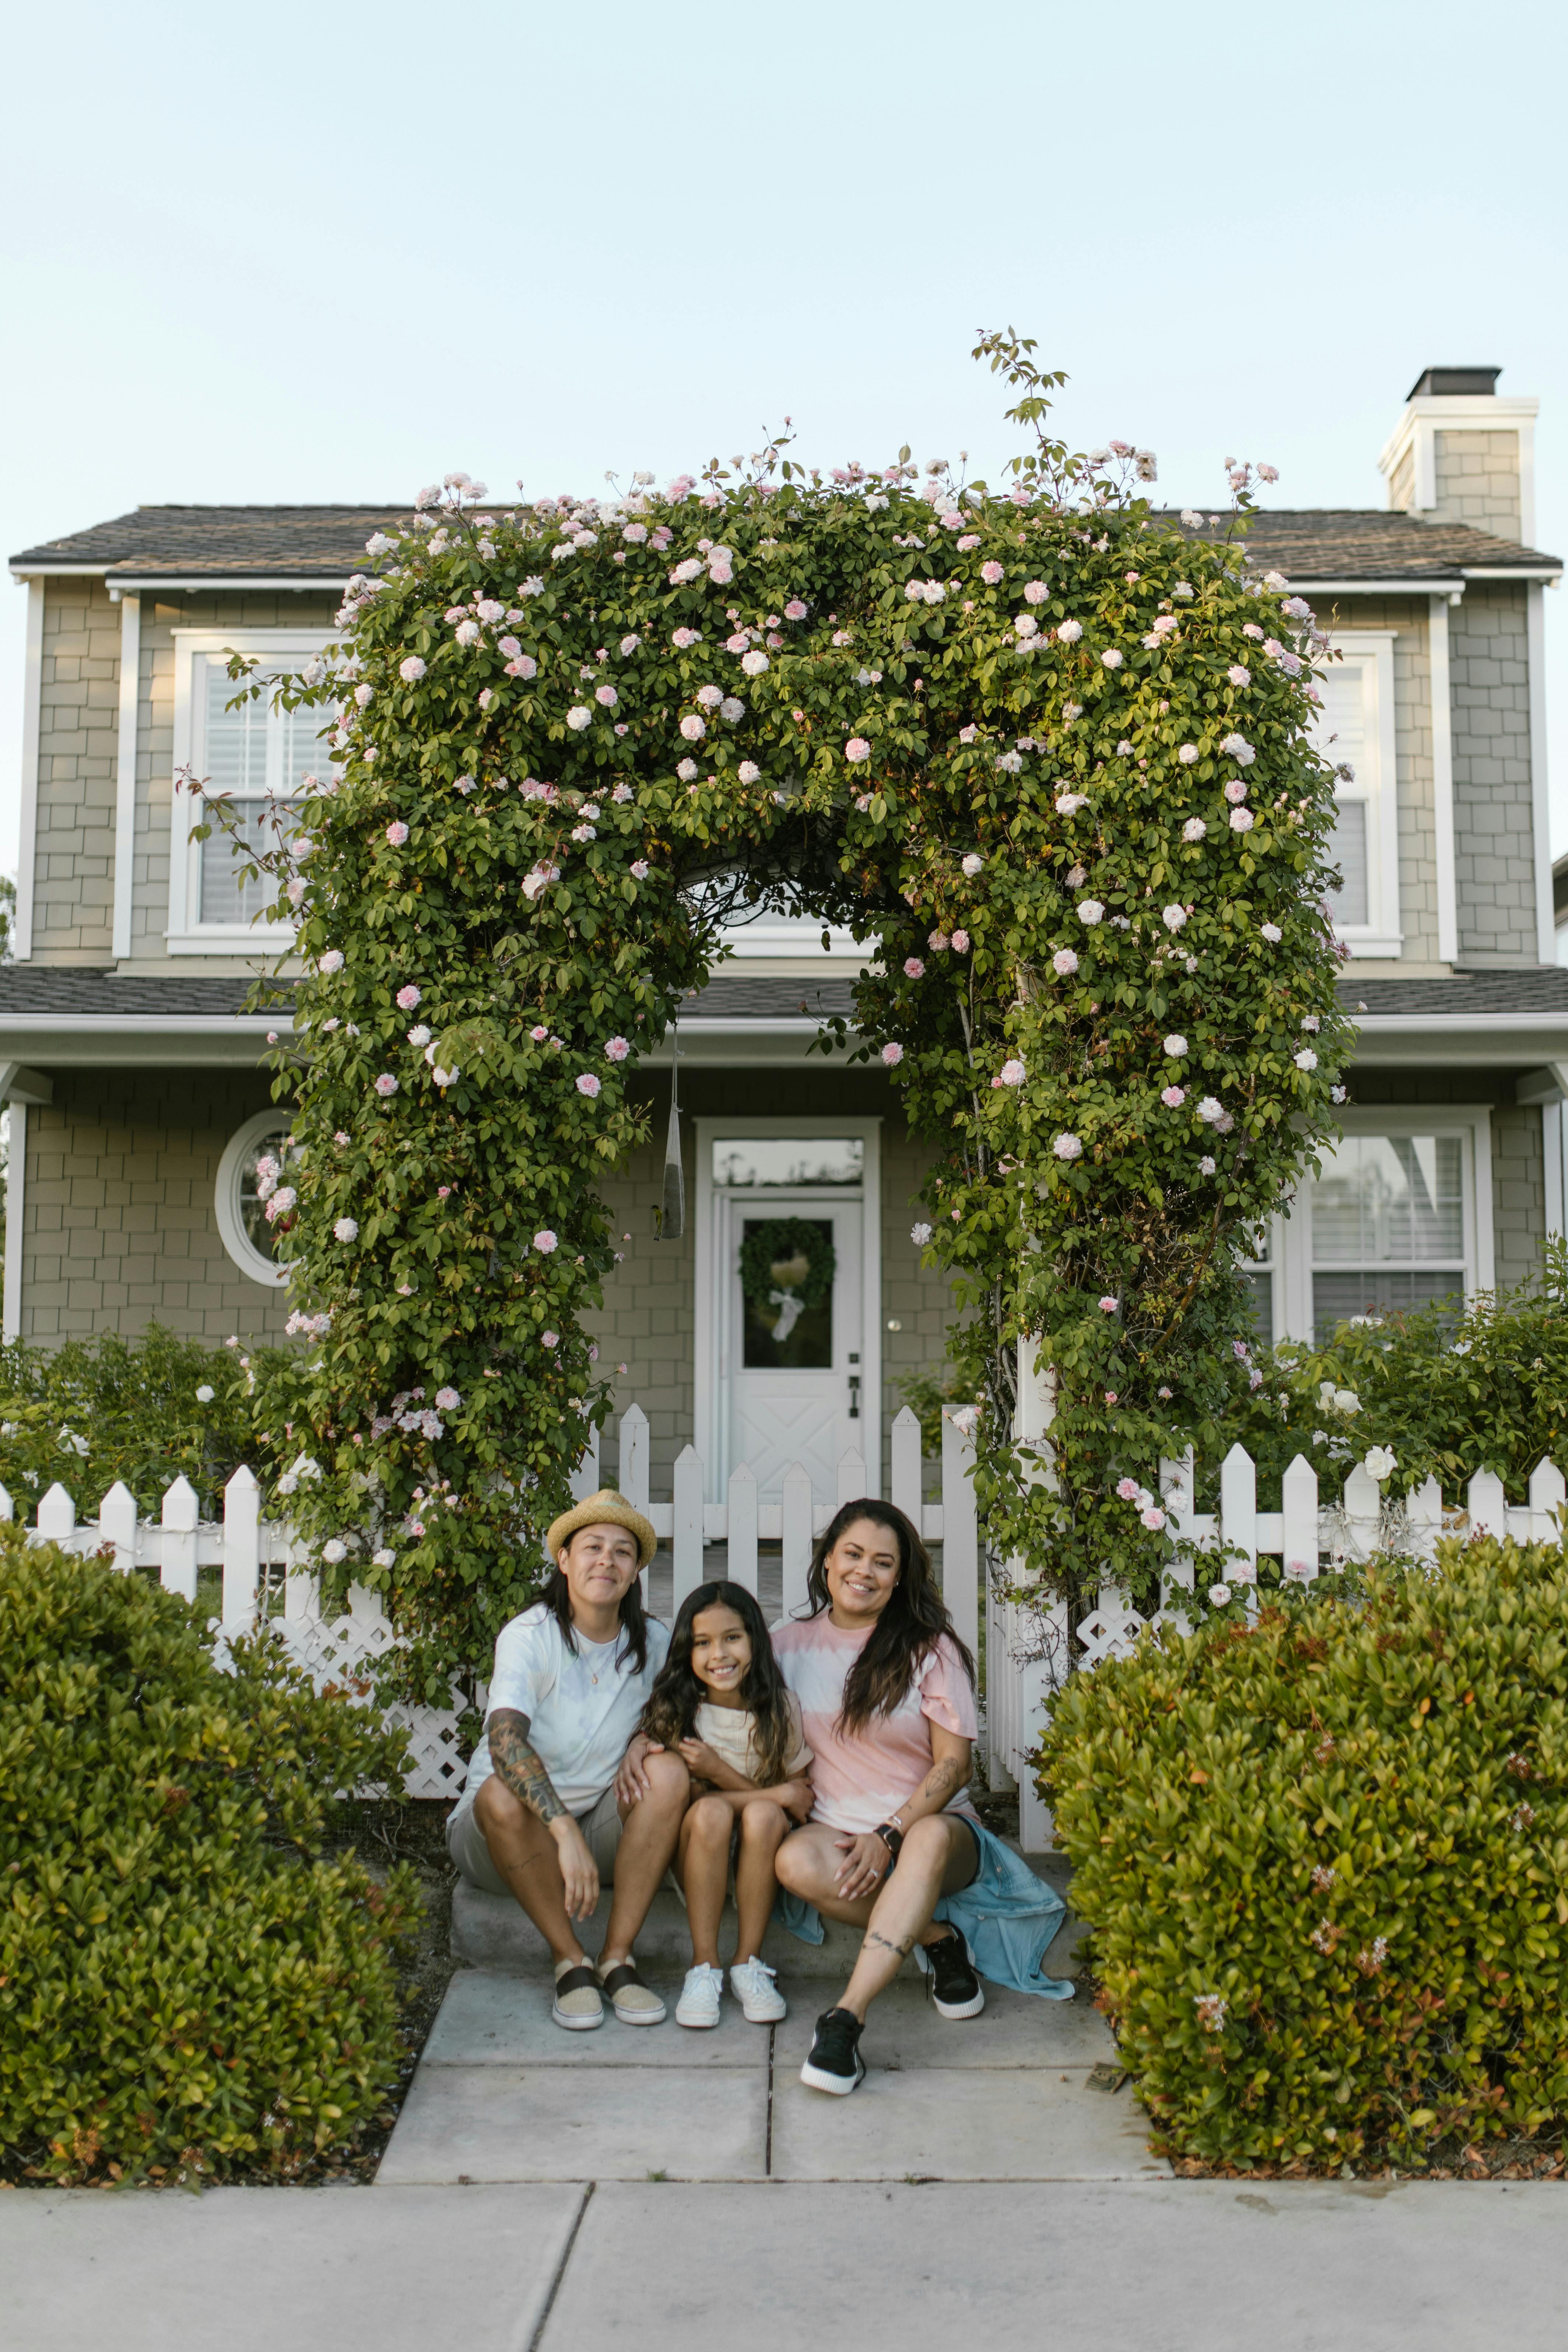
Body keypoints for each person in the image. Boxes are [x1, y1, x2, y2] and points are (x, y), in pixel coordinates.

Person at [773, 1498, 1074, 2096]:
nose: (865, 1570)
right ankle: (938, 1938)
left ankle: (846, 2017)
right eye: (853, 1553)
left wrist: (890, 1833)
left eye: (884, 1562)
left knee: (929, 1835)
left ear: (901, 1575)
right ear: (828, 1558)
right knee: (791, 1860)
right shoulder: (786, 1647)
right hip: (837, 1832)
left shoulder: (928, 1648)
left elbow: (954, 1765)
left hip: (935, 1830)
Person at [444, 1489, 686, 2031]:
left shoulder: (652, 1640)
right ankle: (570, 1959)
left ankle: (618, 1957)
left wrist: (644, 1740)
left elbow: (679, 1715)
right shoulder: (532, 1635)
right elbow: (505, 1742)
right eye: (593, 1547)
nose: (607, 1560)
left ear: (636, 1569)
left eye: (623, 1551)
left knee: (668, 1773)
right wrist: (563, 1832)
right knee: (501, 1795)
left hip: (596, 1830)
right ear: (565, 1560)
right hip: (501, 1840)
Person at [636, 1579, 814, 2030]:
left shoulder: (781, 1708)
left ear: (754, 1639)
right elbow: (694, 1799)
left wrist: (729, 1778)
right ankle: (704, 1967)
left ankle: (747, 1964)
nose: (719, 1655)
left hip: (762, 1849)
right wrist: (746, 1784)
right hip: (699, 1850)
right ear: (686, 1651)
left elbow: (797, 1801)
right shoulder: (680, 1712)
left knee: (763, 1812)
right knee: (714, 1810)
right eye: (702, 1643)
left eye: (732, 1638)